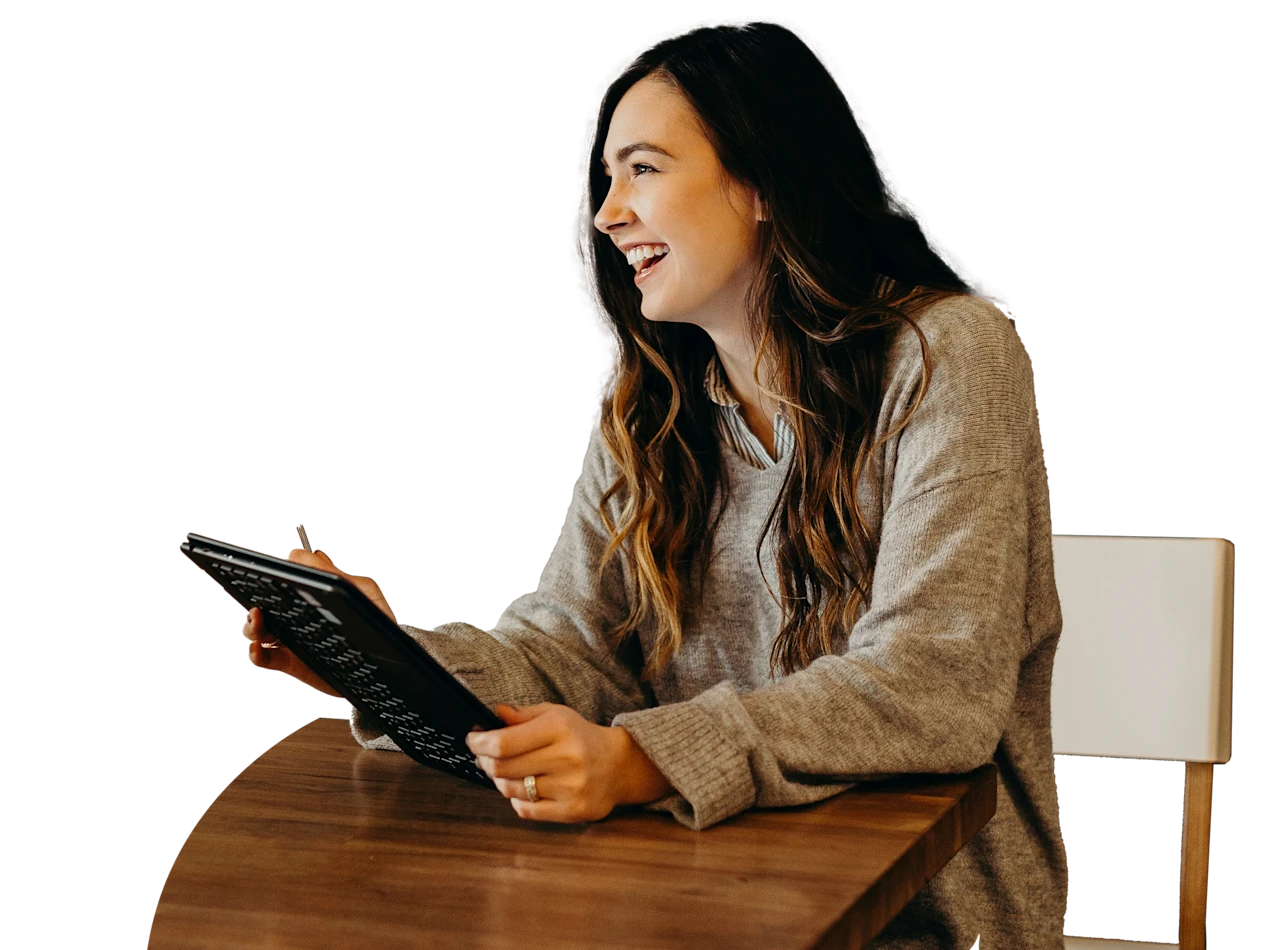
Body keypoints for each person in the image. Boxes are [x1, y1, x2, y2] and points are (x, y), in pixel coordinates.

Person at [243, 21, 1067, 948]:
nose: (606, 214)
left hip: (917, 923)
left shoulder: (947, 354)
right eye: (606, 179)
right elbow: (571, 651)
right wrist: (386, 661)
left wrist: (640, 760)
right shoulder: (652, 410)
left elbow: (931, 687)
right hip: (700, 901)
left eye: (642, 169)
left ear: (761, 183)